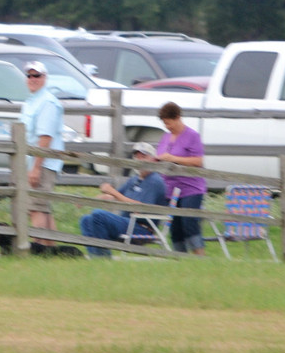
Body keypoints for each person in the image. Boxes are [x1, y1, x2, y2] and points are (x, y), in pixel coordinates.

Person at [79, 142, 167, 257]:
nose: (139, 160)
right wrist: (89, 200)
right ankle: (96, 258)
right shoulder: (135, 179)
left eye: (144, 156)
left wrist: (112, 191)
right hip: (127, 222)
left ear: (154, 160)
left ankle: (102, 258)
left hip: (142, 227)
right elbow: (116, 197)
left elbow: (140, 208)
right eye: (137, 156)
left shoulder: (154, 181)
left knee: (98, 215)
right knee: (86, 220)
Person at [20, 60, 64, 248]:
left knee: (36, 207)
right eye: (29, 75)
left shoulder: (47, 103)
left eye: (36, 75)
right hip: (31, 162)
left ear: (45, 78)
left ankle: (39, 246)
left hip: (41, 163)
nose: (32, 79)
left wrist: (36, 168)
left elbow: (45, 138)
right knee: (41, 207)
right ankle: (51, 249)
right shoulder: (31, 101)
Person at [155, 101, 207, 255]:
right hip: (170, 189)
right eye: (165, 124)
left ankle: (200, 257)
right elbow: (161, 156)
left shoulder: (192, 136)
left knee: (189, 223)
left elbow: (198, 161)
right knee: (175, 226)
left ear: (177, 117)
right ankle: (181, 258)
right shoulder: (165, 137)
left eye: (169, 123)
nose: (168, 127)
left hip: (191, 188)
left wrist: (172, 158)